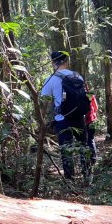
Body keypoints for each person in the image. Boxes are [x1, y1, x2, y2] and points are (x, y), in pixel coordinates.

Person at [41, 51, 90, 181]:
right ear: (66, 62)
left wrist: (42, 120)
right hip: (79, 117)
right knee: (83, 146)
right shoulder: (77, 75)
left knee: (66, 149)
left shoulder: (51, 79)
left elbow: (44, 100)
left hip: (62, 119)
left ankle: (70, 179)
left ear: (53, 63)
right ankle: (87, 175)